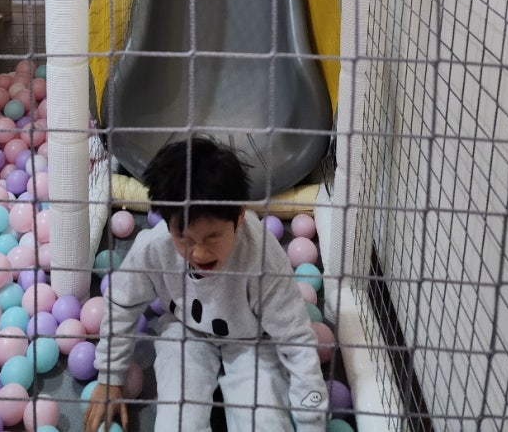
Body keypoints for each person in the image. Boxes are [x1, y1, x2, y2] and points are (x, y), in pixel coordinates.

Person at [85, 136, 328, 432]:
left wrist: (312, 421)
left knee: (265, 422)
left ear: (239, 216)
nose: (199, 253)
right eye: (185, 239)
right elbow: (122, 302)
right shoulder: (155, 246)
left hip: (254, 339)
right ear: (167, 223)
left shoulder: (263, 257)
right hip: (185, 329)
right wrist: (109, 377)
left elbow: (296, 341)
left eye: (213, 238)